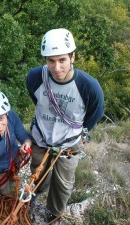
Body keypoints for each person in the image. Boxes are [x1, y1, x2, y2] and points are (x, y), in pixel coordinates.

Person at [26, 28, 104, 224]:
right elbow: (38, 102)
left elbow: (94, 114)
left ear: (72, 57)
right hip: (41, 137)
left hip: (69, 143)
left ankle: (55, 215)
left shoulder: (88, 86)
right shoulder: (35, 77)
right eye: (51, 61)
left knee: (63, 183)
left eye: (62, 60)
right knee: (38, 172)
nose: (57, 67)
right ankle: (33, 197)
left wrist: (76, 133)